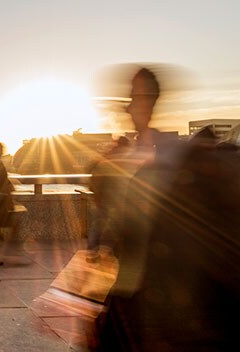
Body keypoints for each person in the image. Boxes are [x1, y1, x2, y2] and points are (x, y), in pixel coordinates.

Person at [93, 67, 240, 350]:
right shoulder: (145, 158)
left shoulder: (173, 159)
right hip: (152, 296)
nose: (128, 107)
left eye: (136, 97)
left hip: (162, 300)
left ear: (150, 100)